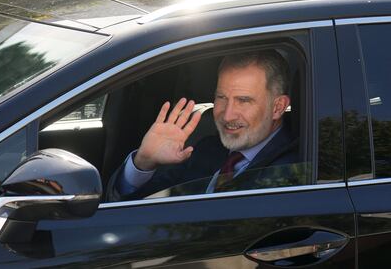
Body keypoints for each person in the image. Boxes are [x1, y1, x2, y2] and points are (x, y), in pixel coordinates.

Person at [106, 50, 299, 201]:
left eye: (243, 100)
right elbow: (134, 209)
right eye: (221, 97)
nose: (228, 114)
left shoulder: (297, 168)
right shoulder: (207, 149)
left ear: (278, 107)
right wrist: (144, 163)